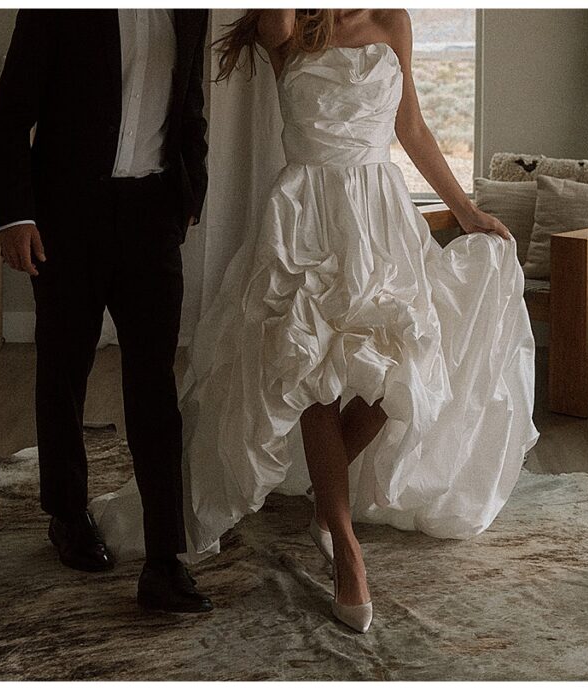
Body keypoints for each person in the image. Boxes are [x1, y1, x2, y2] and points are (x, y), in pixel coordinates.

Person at [95, 8, 539, 633]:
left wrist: (465, 210)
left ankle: (326, 506)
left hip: (380, 213)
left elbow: (410, 125)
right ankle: (346, 544)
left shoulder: (393, 20)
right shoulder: (285, 26)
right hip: (305, 215)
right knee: (310, 370)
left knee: (403, 366)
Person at [0, 9, 212, 613]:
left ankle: (166, 560)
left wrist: (192, 194)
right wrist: (15, 215)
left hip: (152, 215)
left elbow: (189, 105)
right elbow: (9, 116)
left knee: (154, 385)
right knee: (63, 369)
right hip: (67, 215)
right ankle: (65, 512)